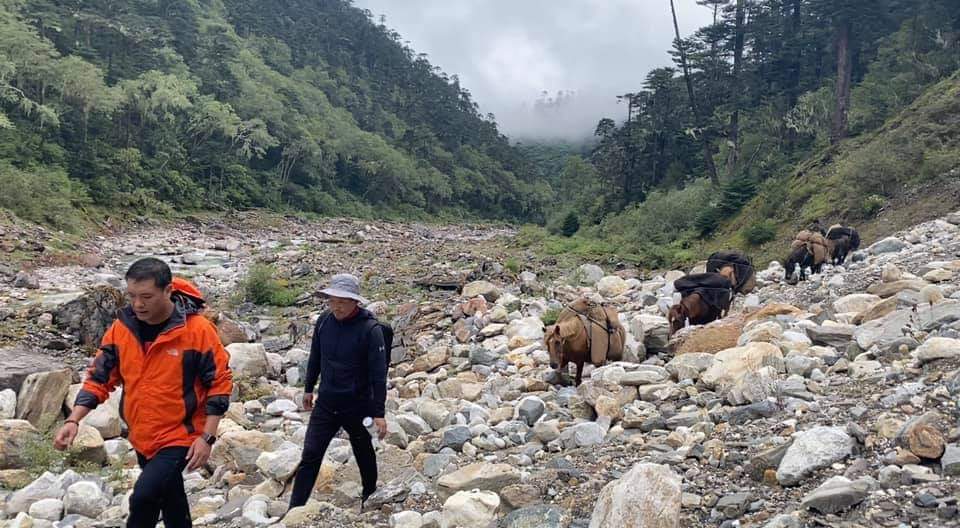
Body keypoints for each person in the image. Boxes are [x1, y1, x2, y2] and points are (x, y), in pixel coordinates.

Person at [53, 258, 233, 528]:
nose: (138, 304)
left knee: (144, 498)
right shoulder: (122, 329)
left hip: (181, 434)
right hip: (141, 433)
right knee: (171, 498)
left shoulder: (197, 331)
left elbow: (219, 383)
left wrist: (207, 437)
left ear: (168, 290)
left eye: (146, 296)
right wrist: (73, 419)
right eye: (132, 296)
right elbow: (100, 377)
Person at [289, 273, 388, 511]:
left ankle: (369, 496)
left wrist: (379, 413)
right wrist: (308, 388)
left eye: (343, 301)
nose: (337, 306)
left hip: (358, 405)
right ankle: (294, 509)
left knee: (363, 451)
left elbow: (378, 375)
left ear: (355, 302)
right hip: (327, 402)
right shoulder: (324, 321)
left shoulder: (370, 330)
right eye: (333, 300)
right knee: (310, 455)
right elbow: (315, 357)